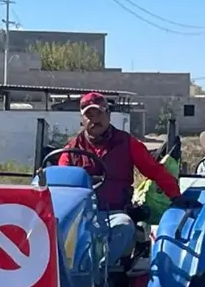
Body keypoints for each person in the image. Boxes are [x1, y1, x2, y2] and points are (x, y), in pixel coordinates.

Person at [58, 92, 195, 266]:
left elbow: (154, 170)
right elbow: (60, 185)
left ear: (108, 115)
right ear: (82, 120)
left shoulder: (127, 142)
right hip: (81, 215)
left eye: (99, 113)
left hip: (114, 212)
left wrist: (176, 196)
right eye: (89, 115)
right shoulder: (71, 148)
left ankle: (100, 274)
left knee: (124, 225)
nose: (95, 120)